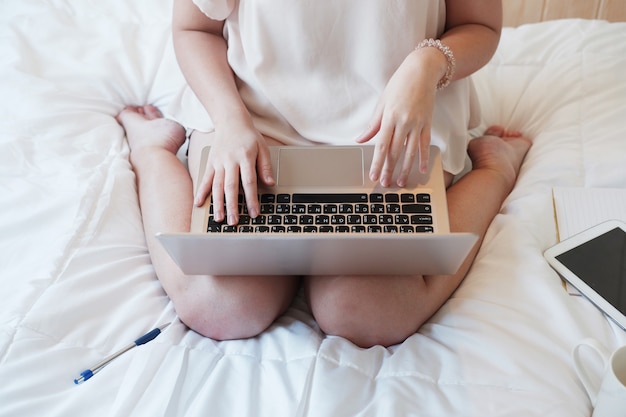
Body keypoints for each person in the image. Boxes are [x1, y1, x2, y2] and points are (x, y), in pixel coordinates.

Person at [116, 0, 532, 348]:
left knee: (365, 313)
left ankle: (495, 167)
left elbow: (479, 26)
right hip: (253, 122)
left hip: (393, 127)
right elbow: (195, 29)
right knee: (221, 306)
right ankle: (152, 147)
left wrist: (426, 64)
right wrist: (230, 121)